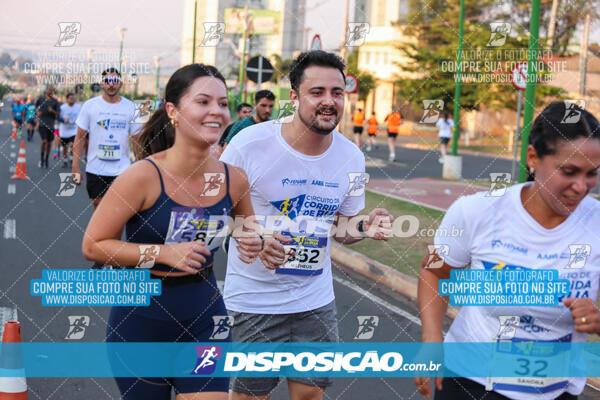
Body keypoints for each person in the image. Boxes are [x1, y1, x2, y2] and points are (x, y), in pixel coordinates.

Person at [82, 63, 262, 400]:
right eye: (204, 101)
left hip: (206, 319)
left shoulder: (234, 178)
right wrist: (163, 253)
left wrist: (258, 243)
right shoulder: (141, 177)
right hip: (140, 323)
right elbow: (93, 245)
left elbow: (246, 230)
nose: (217, 112)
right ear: (173, 111)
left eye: (223, 104)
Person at [220, 50, 393, 400]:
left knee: (310, 395)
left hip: (315, 303)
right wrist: (250, 235)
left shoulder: (352, 157)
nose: (329, 102)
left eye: (337, 93)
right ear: (295, 97)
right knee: (250, 397)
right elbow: (213, 214)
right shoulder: (248, 145)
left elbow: (341, 228)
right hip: (255, 303)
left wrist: (364, 227)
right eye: (317, 93)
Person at [415, 101, 600, 400]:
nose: (581, 186)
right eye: (569, 171)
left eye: (593, 173)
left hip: (556, 391)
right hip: (469, 383)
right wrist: (432, 338)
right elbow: (434, 271)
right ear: (533, 158)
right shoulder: (477, 211)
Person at [72, 68, 141, 210]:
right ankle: (101, 232)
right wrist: (75, 166)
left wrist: (141, 166)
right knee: (98, 204)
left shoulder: (131, 107)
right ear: (101, 84)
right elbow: (80, 137)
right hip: (95, 168)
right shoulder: (90, 106)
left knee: (118, 209)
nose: (111, 85)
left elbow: (137, 139)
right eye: (107, 81)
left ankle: (109, 232)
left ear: (120, 84)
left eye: (115, 81)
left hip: (122, 169)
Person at [36, 86, 60, 168]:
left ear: (53, 92)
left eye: (51, 90)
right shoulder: (41, 99)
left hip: (51, 125)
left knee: (49, 143)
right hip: (42, 124)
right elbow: (36, 107)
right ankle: (42, 159)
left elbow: (58, 114)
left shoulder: (55, 102)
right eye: (48, 90)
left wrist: (52, 111)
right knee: (44, 141)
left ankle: (46, 159)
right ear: (46, 91)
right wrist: (38, 112)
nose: (50, 92)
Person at [58, 93, 81, 167]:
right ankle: (65, 160)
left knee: (73, 144)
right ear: (67, 99)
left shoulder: (78, 107)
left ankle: (71, 158)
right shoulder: (62, 107)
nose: (72, 99)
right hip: (64, 130)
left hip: (74, 129)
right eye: (70, 98)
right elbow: (57, 117)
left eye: (73, 98)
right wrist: (63, 120)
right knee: (65, 146)